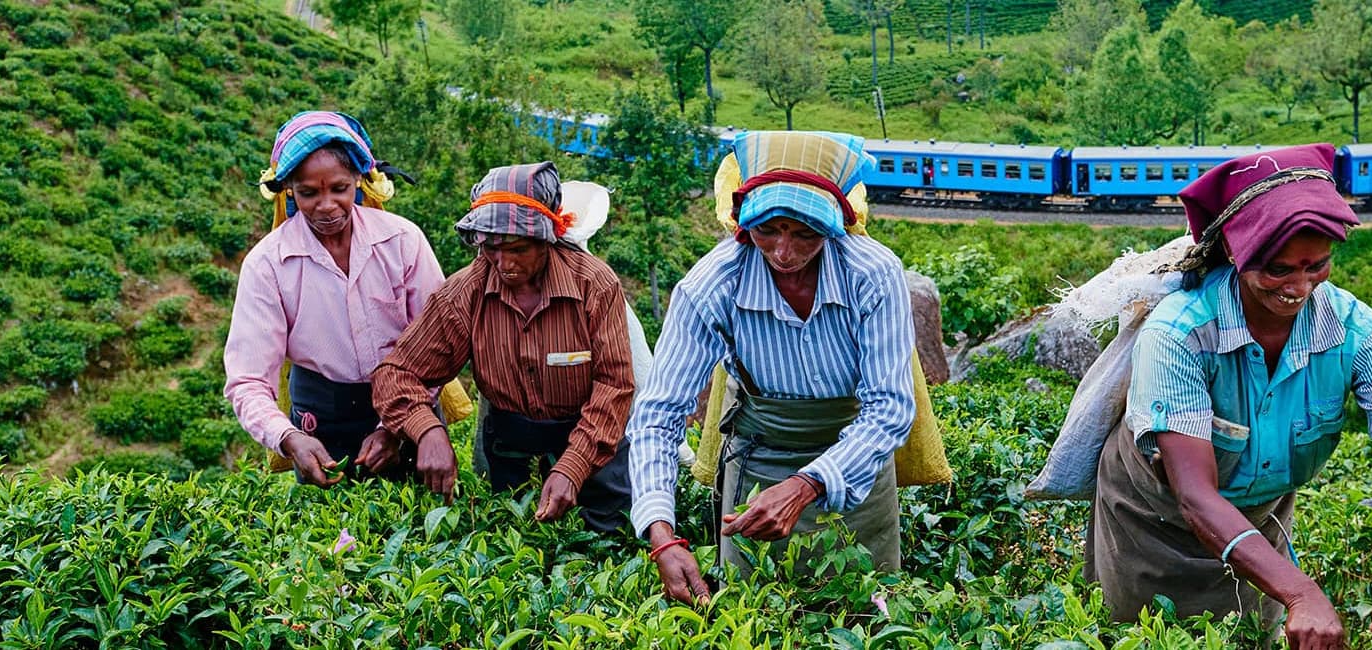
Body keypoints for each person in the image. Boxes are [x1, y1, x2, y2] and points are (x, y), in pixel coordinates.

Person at [1087, 143, 1372, 647]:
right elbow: (1195, 496)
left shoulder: (1358, 333)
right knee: (1150, 637)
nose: (1299, 287)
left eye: (1317, 266)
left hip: (1257, 525)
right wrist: (1302, 593)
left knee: (1255, 633)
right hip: (1152, 526)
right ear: (1237, 255)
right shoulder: (1179, 335)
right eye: (1278, 269)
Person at [625, 131, 917, 603]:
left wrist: (807, 484)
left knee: (863, 611)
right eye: (768, 231)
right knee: (756, 610)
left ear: (834, 227)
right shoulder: (713, 285)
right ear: (744, 225)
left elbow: (888, 409)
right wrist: (662, 535)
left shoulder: (873, 274)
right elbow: (658, 416)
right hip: (760, 460)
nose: (784, 252)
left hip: (855, 468)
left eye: (805, 233)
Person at [372, 162, 636, 532]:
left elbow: (614, 385)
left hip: (594, 447)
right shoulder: (465, 292)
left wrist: (573, 465)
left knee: (605, 543)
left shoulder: (593, 284)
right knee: (512, 546)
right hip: (509, 447)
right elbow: (396, 373)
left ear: (547, 237)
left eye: (518, 248)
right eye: (492, 248)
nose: (505, 263)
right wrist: (427, 430)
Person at [224, 111, 443, 487]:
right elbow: (247, 380)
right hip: (320, 419)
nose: (326, 205)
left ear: (359, 180)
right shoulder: (267, 265)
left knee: (417, 525)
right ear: (290, 189)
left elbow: (437, 344)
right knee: (332, 537)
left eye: (339, 189)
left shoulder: (401, 241)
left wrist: (395, 427)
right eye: (309, 193)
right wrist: (291, 439)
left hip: (409, 407)